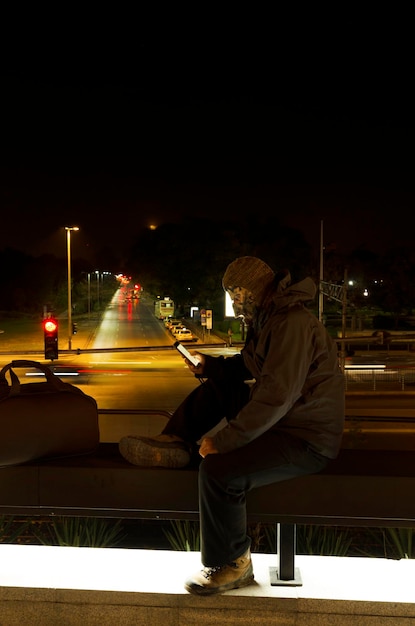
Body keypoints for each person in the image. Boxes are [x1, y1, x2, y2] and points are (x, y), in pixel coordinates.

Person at [119, 256, 345, 596]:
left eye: (235, 293)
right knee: (219, 388)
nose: (234, 301)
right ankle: (175, 442)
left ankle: (233, 564)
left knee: (220, 473)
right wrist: (209, 365)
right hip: (287, 419)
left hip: (305, 437)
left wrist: (225, 441)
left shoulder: (291, 323)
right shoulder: (270, 318)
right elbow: (249, 365)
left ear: (252, 290)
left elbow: (277, 395)